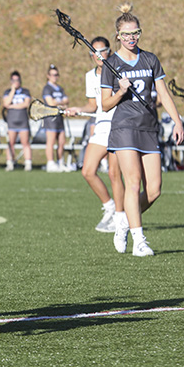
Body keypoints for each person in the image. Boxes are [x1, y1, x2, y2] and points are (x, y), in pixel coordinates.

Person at [101, 3, 184, 257]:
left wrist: (177, 120)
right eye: (126, 34)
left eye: (135, 33)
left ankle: (125, 221)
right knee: (133, 182)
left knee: (154, 190)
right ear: (117, 36)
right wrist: (120, 91)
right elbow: (105, 105)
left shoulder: (150, 59)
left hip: (149, 127)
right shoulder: (111, 64)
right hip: (124, 127)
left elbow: (163, 93)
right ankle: (139, 240)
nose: (131, 38)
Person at [66, 37, 126, 233]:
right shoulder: (89, 76)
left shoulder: (118, 71)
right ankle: (109, 207)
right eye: (95, 52)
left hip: (117, 124)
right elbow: (92, 106)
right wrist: (77, 109)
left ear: (110, 51)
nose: (99, 55)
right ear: (91, 55)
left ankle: (119, 218)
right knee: (88, 170)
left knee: (114, 174)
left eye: (103, 51)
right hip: (101, 126)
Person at [2, 70, 32, 171]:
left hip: (23, 121)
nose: (16, 82)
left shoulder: (25, 91)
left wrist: (13, 106)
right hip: (11, 122)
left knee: (25, 142)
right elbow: (6, 104)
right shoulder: (7, 92)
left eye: (17, 80)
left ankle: (28, 163)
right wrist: (13, 91)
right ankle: (10, 162)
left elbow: (26, 104)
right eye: (13, 80)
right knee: (11, 143)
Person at [42, 64, 70, 172]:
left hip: (59, 117)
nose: (55, 77)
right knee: (51, 141)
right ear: (48, 76)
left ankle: (60, 162)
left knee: (62, 141)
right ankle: (50, 163)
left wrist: (59, 103)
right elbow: (50, 102)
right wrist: (60, 103)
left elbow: (66, 101)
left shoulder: (60, 88)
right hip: (50, 118)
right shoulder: (47, 88)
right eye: (53, 75)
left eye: (56, 75)